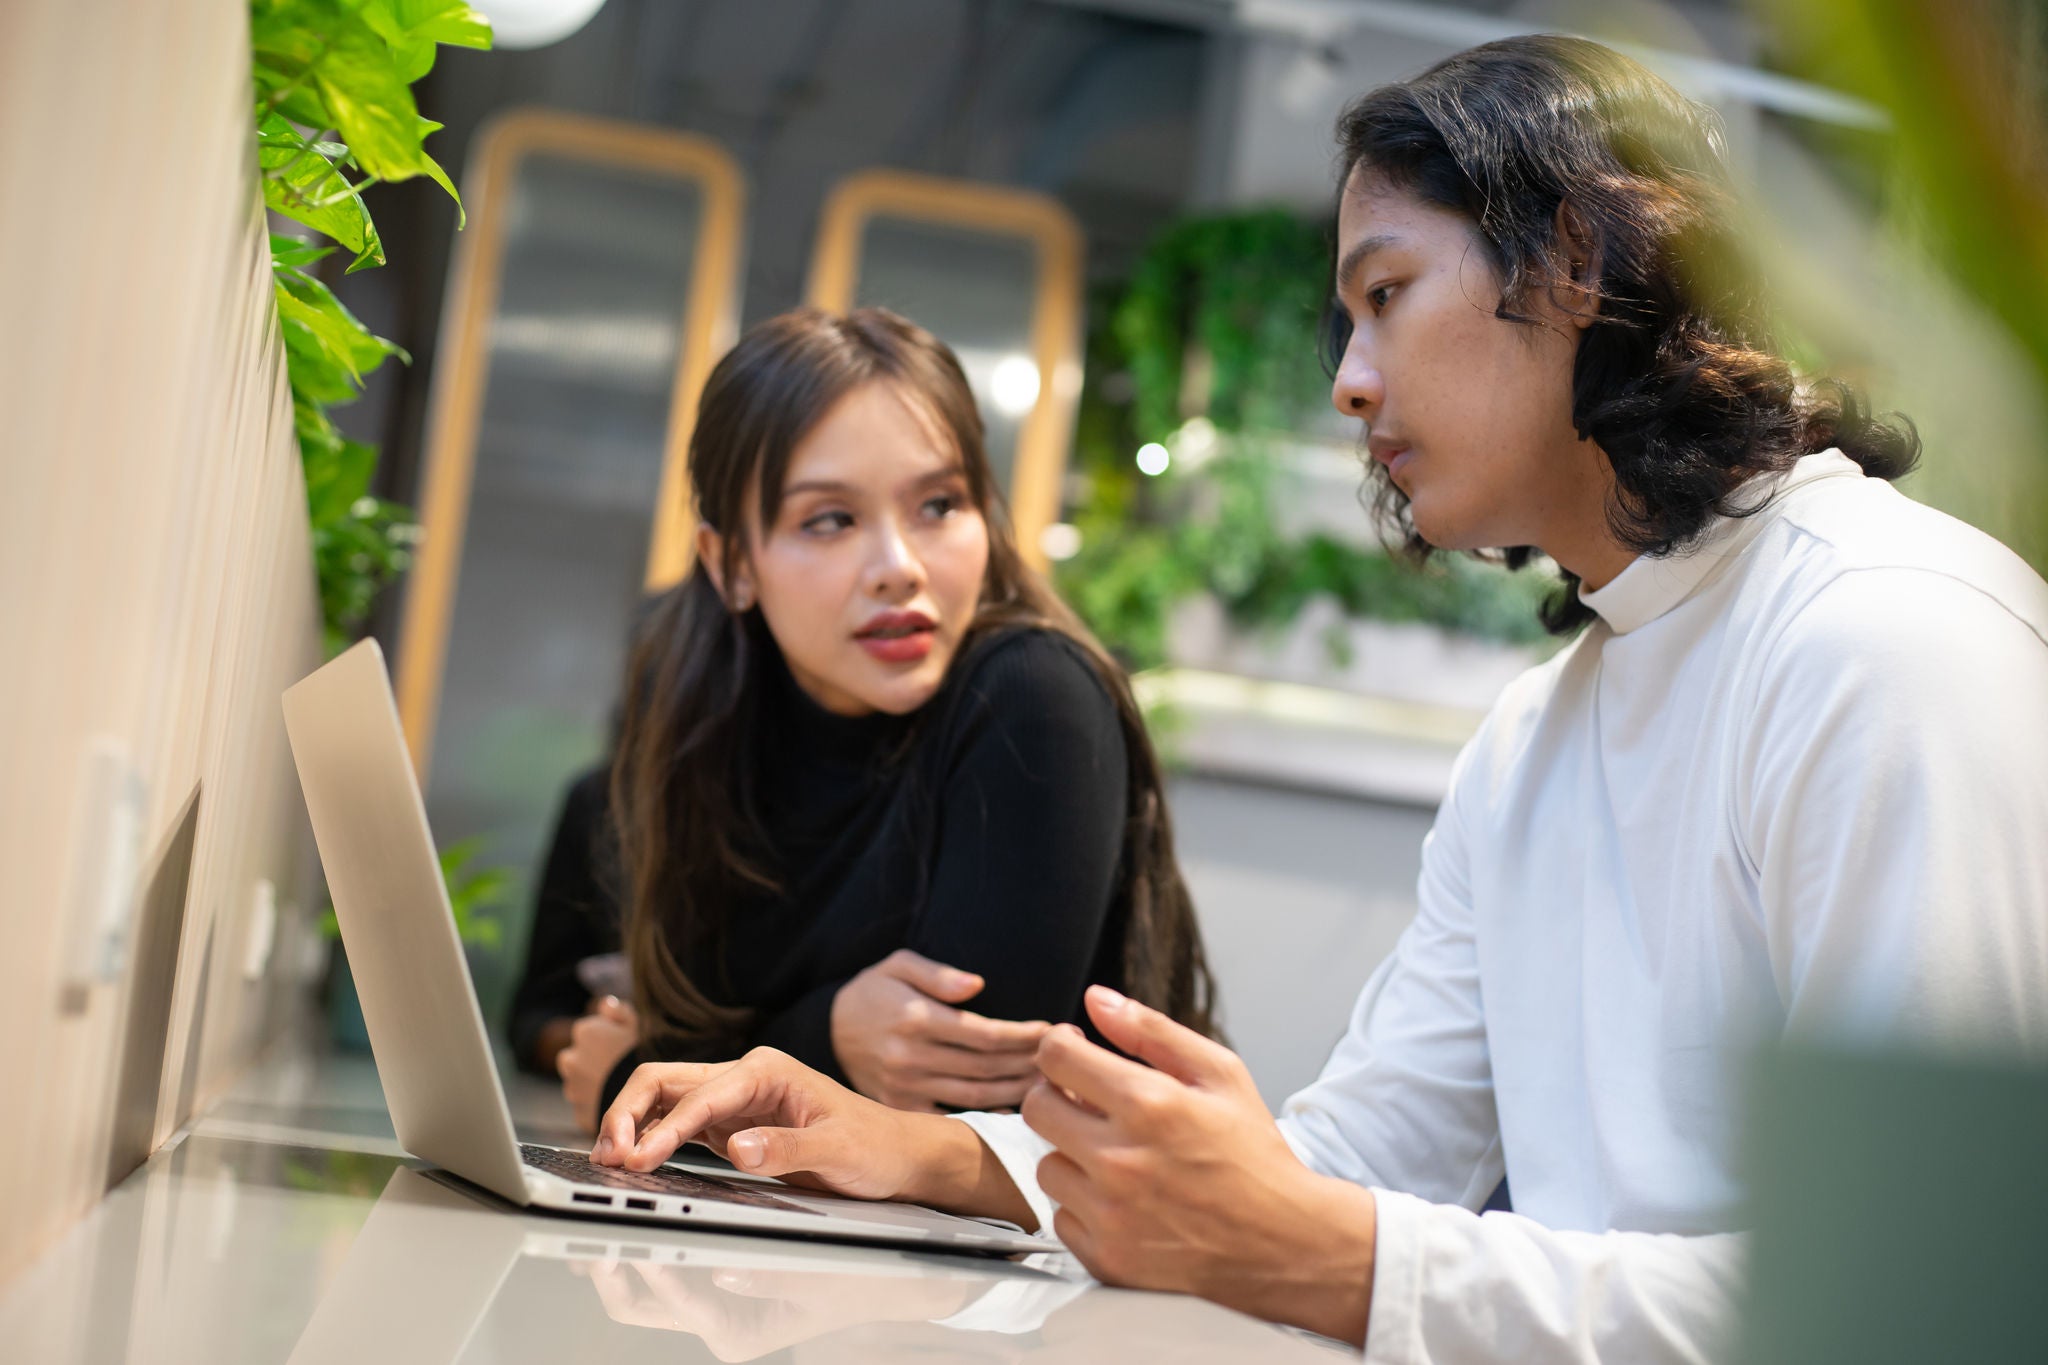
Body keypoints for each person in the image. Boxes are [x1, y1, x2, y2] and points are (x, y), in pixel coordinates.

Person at [588, 35, 2048, 1361]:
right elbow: (1357, 1159)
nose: (1349, 384)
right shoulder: (1537, 737)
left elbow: (1910, 1304)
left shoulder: (1888, 641)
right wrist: (931, 1155)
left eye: (1386, 296)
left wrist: (1337, 1260)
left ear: (1584, 261)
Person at [549, 306, 1218, 1134]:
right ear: (732, 565)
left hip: (1026, 1253)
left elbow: (957, 1092)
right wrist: (825, 1039)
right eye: (829, 519)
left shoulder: (1033, 695)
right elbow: (683, 1031)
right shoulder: (704, 727)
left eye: (939, 504)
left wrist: (692, 1069)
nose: (898, 567)